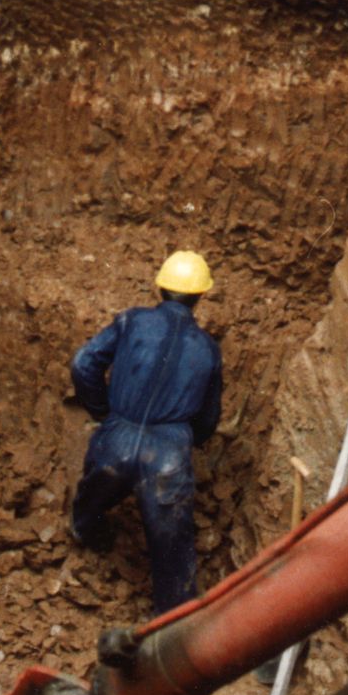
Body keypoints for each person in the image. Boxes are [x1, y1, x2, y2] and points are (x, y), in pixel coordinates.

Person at [69, 249, 223, 616]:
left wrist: (103, 411)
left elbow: (83, 363)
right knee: (173, 547)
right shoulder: (208, 349)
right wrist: (186, 440)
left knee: (93, 496)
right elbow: (208, 418)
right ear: (201, 296)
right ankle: (173, 620)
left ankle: (86, 532)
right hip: (167, 455)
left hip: (116, 438)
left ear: (160, 289)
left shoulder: (132, 322)